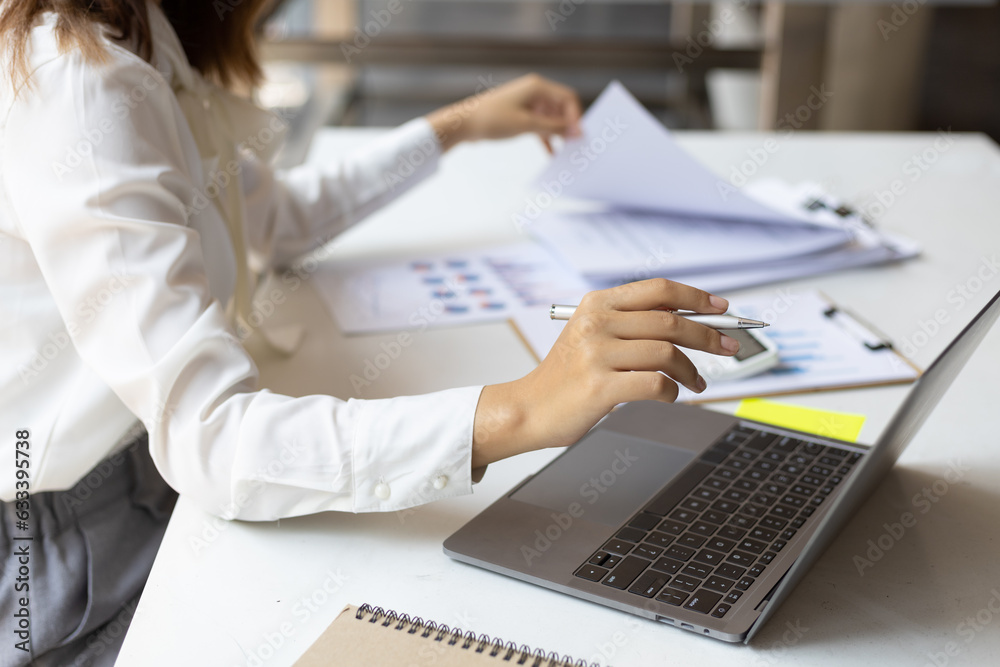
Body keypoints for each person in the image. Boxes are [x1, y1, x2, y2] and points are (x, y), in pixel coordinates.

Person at [0, 1, 740, 664]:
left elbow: (275, 219)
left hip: (141, 481)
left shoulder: (141, 36)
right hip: (63, 551)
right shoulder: (77, 81)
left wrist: (460, 125)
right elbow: (213, 441)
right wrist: (519, 408)